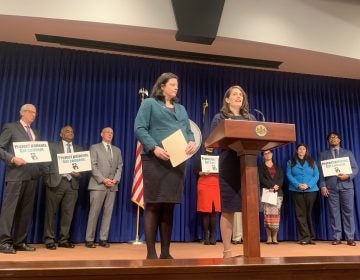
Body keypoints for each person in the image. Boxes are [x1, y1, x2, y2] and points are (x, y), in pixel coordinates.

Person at [134, 72, 196, 259]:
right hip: (155, 160)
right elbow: (139, 128)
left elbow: (187, 131)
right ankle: (151, 253)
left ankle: (166, 252)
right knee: (153, 205)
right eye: (172, 84)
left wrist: (192, 141)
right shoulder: (149, 104)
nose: (176, 88)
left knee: (169, 205)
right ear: (162, 86)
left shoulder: (182, 109)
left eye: (177, 85)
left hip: (176, 162)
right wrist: (154, 147)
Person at [210, 85, 256, 258]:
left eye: (241, 95)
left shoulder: (250, 117)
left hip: (248, 165)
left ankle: (251, 249)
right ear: (227, 99)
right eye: (235, 94)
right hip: (229, 165)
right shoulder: (219, 117)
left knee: (250, 209)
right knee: (228, 209)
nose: (239, 97)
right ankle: (227, 251)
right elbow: (215, 140)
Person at [0, 104, 41, 254]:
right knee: (9, 210)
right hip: (15, 176)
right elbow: (0, 148)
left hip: (32, 176)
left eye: (35, 113)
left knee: (25, 211)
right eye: (31, 112)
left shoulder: (35, 132)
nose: (34, 115)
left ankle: (19, 241)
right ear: (22, 113)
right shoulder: (11, 127)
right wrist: (12, 159)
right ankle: (3, 242)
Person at [43, 125, 83, 250]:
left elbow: (83, 167)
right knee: (51, 213)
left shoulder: (79, 149)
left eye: (72, 131)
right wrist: (48, 179)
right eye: (67, 131)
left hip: (72, 184)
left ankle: (63, 239)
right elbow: (45, 164)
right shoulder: (53, 146)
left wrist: (79, 173)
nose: (70, 133)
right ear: (61, 134)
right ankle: (49, 239)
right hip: (56, 183)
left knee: (68, 213)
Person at [85, 127, 123, 248]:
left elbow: (120, 166)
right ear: (102, 134)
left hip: (112, 186)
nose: (110, 134)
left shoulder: (117, 150)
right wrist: (103, 180)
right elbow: (93, 165)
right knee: (94, 212)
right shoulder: (94, 147)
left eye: (112, 133)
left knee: (108, 213)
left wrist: (115, 180)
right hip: (98, 185)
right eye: (107, 132)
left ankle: (103, 239)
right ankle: (89, 239)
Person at [318, 132, 358, 246]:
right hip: (331, 188)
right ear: (328, 141)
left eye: (335, 137)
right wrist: (323, 185)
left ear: (339, 140)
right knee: (334, 213)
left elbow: (355, 168)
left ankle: (350, 237)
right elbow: (321, 174)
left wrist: (348, 176)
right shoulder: (323, 155)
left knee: (348, 212)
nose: (333, 139)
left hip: (347, 187)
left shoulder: (348, 153)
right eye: (331, 138)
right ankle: (337, 237)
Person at [286, 143, 319, 245]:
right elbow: (288, 174)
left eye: (303, 149)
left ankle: (310, 237)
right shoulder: (290, 162)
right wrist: (298, 185)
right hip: (296, 191)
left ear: (306, 151)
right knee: (300, 214)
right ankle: (304, 237)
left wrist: (308, 185)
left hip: (311, 190)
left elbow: (316, 175)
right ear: (297, 151)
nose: (301, 150)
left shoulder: (312, 161)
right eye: (299, 149)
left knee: (308, 213)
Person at [193, 147, 221, 245]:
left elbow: (222, 170)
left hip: (214, 184)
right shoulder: (200, 157)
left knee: (214, 211)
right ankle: (206, 236)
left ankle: (213, 236)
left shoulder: (218, 157)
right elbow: (195, 170)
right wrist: (202, 172)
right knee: (205, 211)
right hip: (203, 183)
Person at [258, 149, 284, 244]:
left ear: (272, 154)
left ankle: (275, 238)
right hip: (267, 193)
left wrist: (276, 186)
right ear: (263, 156)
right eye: (265, 153)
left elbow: (281, 178)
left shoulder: (278, 167)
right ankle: (269, 237)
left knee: (276, 216)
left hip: (278, 193)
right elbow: (261, 179)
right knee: (267, 216)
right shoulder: (260, 168)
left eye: (269, 153)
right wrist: (271, 186)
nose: (267, 155)